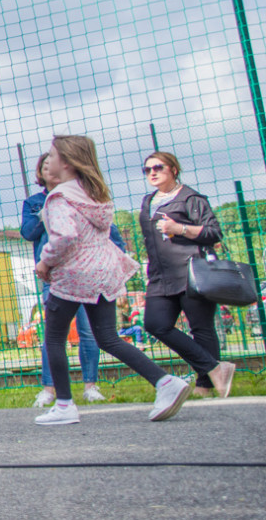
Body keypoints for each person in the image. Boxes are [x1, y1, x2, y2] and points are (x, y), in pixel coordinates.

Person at [33, 135, 190, 426]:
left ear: (66, 163)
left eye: (52, 156)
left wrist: (45, 261)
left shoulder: (59, 197)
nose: (48, 161)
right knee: (107, 337)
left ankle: (65, 405)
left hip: (75, 275)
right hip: (103, 271)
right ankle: (165, 382)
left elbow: (65, 236)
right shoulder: (91, 193)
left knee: (54, 338)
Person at [137, 151, 237, 398]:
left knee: (201, 329)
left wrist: (179, 228)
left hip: (192, 272)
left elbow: (214, 233)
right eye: (147, 169)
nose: (152, 172)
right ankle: (214, 368)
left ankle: (205, 387)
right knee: (155, 324)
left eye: (158, 167)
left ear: (173, 169)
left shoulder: (191, 198)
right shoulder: (148, 201)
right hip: (160, 276)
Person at [20, 153, 116, 406]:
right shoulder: (33, 203)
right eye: (44, 165)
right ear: (40, 172)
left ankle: (90, 386)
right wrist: (44, 215)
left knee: (89, 331)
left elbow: (108, 232)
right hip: (54, 275)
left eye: (52, 163)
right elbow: (28, 232)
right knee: (53, 335)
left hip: (84, 273)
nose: (48, 168)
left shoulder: (78, 197)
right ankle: (50, 390)